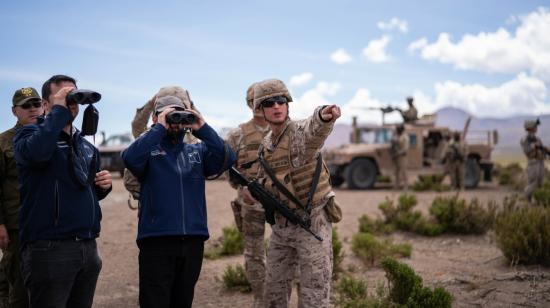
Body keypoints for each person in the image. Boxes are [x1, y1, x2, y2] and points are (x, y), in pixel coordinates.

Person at [122, 93, 236, 308]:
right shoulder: (148, 150)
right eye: (169, 115)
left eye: (179, 115)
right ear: (156, 118)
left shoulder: (197, 150)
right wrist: (159, 127)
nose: (175, 121)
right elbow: (130, 158)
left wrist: (202, 127)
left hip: (193, 241)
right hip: (156, 241)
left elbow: (227, 158)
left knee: (183, 302)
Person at [13, 75, 112, 307]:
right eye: (63, 97)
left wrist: (102, 187)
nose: (71, 104)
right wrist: (58, 113)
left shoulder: (85, 145)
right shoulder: (28, 135)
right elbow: (37, 153)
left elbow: (83, 191)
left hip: (87, 247)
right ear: (46, 105)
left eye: (73, 97)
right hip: (49, 249)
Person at [242, 78, 341, 307]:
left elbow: (314, 128)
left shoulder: (299, 134)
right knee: (274, 293)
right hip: (282, 227)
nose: (276, 106)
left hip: (312, 223)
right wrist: (253, 191)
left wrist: (324, 115)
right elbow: (269, 180)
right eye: (269, 103)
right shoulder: (265, 145)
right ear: (261, 111)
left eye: (281, 101)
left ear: (287, 105)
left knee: (313, 295)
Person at [225, 82, 270, 307]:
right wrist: (241, 189)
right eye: (254, 102)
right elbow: (228, 169)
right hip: (250, 204)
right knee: (254, 253)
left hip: (282, 205)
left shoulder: (285, 130)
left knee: (291, 252)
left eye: (263, 102)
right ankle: (261, 300)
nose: (259, 107)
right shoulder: (237, 135)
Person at [0, 87, 44, 308]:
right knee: (19, 288)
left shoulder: (53, 136)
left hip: (49, 226)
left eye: (36, 104)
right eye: (26, 105)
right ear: (14, 111)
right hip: (18, 226)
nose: (32, 109)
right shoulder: (3, 142)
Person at [124, 86, 201, 203]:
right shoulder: (151, 136)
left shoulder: (191, 137)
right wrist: (151, 104)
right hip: (154, 203)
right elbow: (137, 126)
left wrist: (190, 107)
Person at [520, 119, 548, 202]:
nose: (536, 128)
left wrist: (545, 150)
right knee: (533, 182)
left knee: (540, 182)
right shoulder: (526, 139)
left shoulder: (537, 138)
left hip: (540, 162)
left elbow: (542, 149)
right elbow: (527, 150)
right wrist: (534, 146)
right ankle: (525, 198)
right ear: (530, 127)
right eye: (535, 126)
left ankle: (538, 200)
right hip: (533, 163)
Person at [391, 124, 409, 190]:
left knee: (404, 171)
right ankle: (397, 185)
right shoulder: (396, 136)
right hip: (396, 156)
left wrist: (399, 152)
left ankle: (406, 186)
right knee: (396, 171)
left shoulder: (405, 137)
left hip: (402, 156)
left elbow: (405, 148)